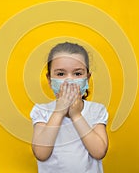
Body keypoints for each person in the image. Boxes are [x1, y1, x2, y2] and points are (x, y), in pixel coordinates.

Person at [30, 42, 109, 173]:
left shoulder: (96, 111)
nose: (69, 80)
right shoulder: (41, 111)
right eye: (61, 74)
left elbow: (99, 152)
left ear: (87, 79)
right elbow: (41, 154)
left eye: (77, 74)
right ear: (49, 80)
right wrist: (59, 112)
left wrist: (76, 115)